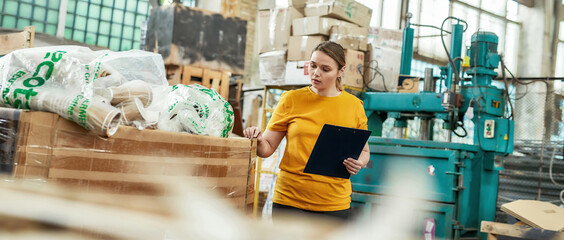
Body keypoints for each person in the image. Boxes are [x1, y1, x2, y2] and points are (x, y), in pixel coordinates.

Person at [244, 41, 370, 221]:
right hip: (289, 201)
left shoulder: (354, 106)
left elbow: (364, 152)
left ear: (340, 71)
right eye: (313, 66)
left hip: (334, 204)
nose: (316, 73)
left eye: (325, 69)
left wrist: (359, 162)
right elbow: (267, 148)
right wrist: (257, 139)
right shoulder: (291, 99)